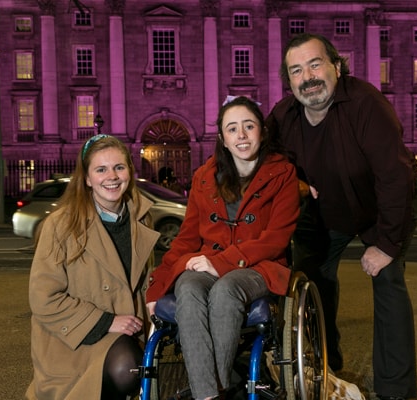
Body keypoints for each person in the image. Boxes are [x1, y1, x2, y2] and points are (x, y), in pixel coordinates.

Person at [266, 33, 417, 400]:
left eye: (315, 64)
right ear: (289, 82)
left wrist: (384, 245)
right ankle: (324, 366)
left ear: (336, 67)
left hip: (379, 208)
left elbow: (395, 176)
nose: (308, 77)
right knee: (311, 277)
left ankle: (395, 390)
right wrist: (298, 184)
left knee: (388, 280)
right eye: (296, 70)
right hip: (325, 213)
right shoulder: (283, 116)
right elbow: (261, 157)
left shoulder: (366, 103)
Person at [145, 96, 299, 400]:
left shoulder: (283, 174)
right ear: (222, 139)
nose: (241, 135)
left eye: (248, 126)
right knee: (187, 284)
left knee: (225, 289)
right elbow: (187, 240)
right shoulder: (204, 177)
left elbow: (276, 239)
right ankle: (210, 395)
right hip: (208, 263)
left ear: (262, 132)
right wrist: (157, 288)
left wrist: (224, 263)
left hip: (259, 268)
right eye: (232, 129)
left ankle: (209, 387)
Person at [26, 134, 160, 400]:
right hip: (74, 340)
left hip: (125, 332)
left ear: (129, 172)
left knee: (133, 367)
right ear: (87, 178)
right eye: (101, 169)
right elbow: (42, 298)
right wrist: (106, 321)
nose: (112, 176)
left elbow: (144, 282)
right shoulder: (60, 225)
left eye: (119, 167)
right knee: (127, 369)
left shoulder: (142, 218)